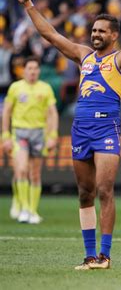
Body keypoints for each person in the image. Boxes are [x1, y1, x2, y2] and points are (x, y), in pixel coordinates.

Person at [15, 0, 121, 270]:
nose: (95, 34)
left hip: (106, 128)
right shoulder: (83, 56)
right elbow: (51, 35)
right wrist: (29, 5)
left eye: (101, 31)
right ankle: (89, 256)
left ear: (114, 35)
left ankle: (105, 256)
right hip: (80, 129)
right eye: (93, 30)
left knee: (104, 190)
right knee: (85, 192)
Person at [1, 57, 58, 224]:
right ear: (24, 70)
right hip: (20, 132)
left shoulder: (45, 89)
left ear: (38, 71)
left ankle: (33, 211)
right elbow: (6, 112)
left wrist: (52, 135)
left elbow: (52, 113)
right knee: (22, 169)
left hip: (38, 133)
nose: (32, 71)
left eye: (35, 68)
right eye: (29, 68)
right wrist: (5, 135)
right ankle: (24, 208)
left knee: (34, 173)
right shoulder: (15, 88)